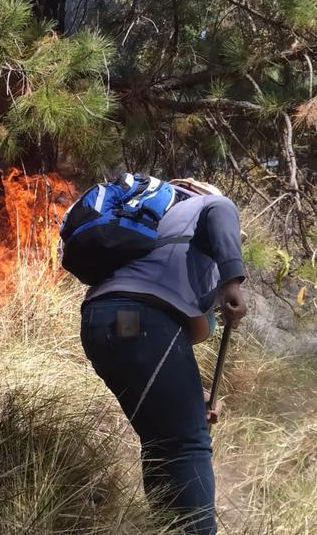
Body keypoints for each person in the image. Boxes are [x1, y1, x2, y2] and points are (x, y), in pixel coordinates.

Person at [79, 177, 247, 534]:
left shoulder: (156, 228)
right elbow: (222, 209)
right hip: (143, 319)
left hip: (109, 323)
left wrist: (191, 397)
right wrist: (233, 279)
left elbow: (158, 352)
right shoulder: (207, 205)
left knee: (162, 440)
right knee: (188, 443)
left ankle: (169, 528)